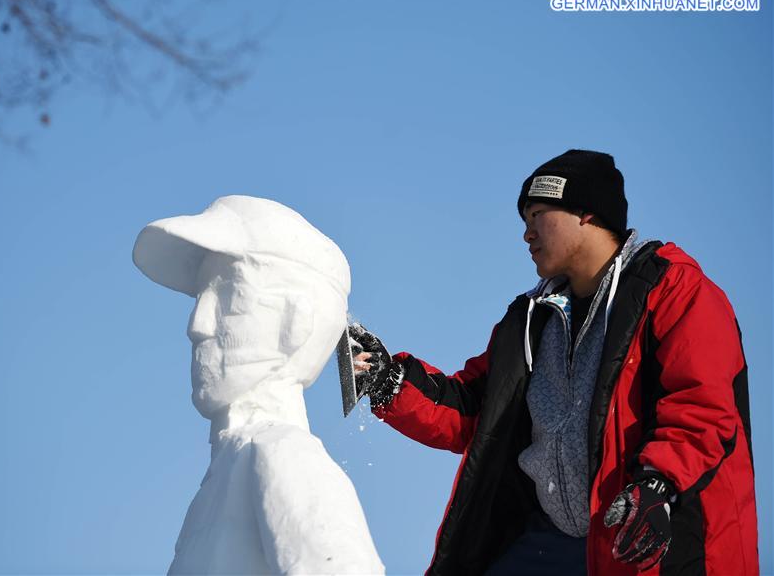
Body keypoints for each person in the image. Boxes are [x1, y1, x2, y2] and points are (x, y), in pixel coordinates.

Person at [351, 150, 758, 575]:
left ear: (586, 214)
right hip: (547, 542)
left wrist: (659, 483)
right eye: (524, 221)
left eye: (538, 215)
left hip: (639, 540)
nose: (527, 234)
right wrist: (389, 381)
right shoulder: (529, 321)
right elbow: (475, 409)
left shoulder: (674, 291)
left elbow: (703, 404)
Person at [134, 195, 384, 575]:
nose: (196, 323)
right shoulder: (217, 484)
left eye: (227, 298)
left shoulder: (283, 455)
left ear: (294, 323)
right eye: (201, 298)